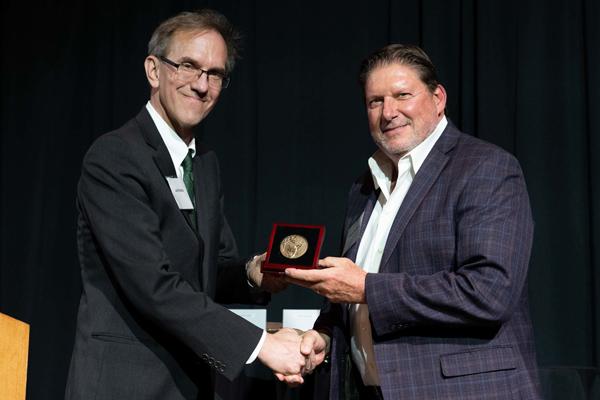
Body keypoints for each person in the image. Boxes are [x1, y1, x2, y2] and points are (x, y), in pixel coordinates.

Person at [65, 9, 304, 399]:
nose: (201, 85)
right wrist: (261, 345)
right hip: (125, 385)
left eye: (215, 74)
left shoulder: (204, 165)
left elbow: (208, 273)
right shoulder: (114, 157)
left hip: (190, 383)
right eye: (188, 66)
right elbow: (153, 285)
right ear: (154, 70)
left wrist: (253, 274)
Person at [285, 44, 542, 399]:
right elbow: (351, 287)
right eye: (375, 101)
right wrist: (324, 333)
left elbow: (489, 292)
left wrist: (366, 288)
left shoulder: (486, 168)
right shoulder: (363, 187)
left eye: (402, 95)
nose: (388, 112)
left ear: (438, 99)